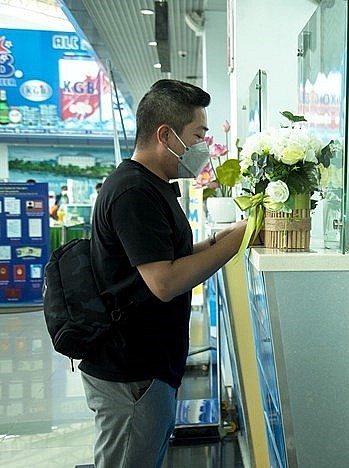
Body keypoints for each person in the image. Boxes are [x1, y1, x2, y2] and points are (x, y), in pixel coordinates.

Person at [79, 79, 248, 467]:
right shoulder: (132, 192)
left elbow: (169, 256)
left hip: (148, 366)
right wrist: (233, 245)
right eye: (198, 135)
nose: (203, 147)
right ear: (165, 135)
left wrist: (230, 236)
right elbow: (165, 282)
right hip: (131, 372)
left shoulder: (154, 186)